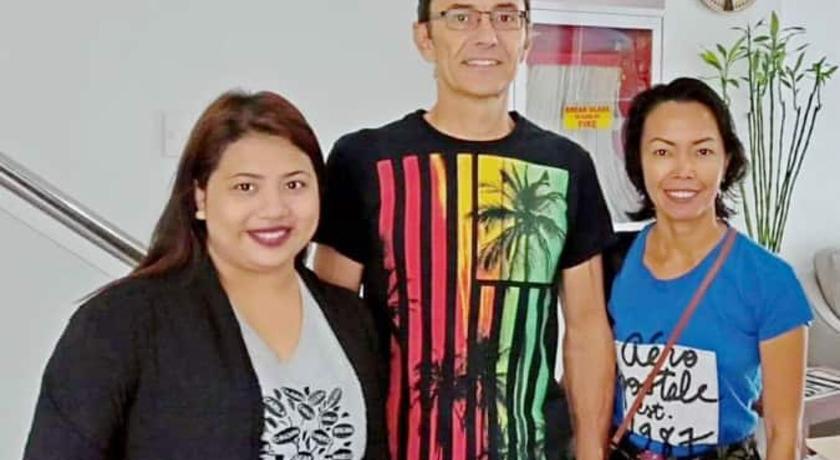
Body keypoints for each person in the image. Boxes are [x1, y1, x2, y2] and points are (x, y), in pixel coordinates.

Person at [313, 1, 617, 458]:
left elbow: (587, 330)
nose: (486, 35)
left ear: (527, 39)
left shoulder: (566, 166)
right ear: (424, 38)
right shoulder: (363, 161)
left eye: (505, 16)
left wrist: (592, 452)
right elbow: (329, 328)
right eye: (461, 16)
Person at [23, 90, 388, 460]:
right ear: (200, 197)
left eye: (294, 185)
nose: (274, 209)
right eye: (246, 187)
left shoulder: (352, 321)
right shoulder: (121, 321)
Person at [608, 77, 812, 459]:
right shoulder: (609, 263)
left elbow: (784, 433)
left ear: (726, 160)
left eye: (702, 152)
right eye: (663, 151)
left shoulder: (770, 281)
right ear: (638, 160)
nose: (683, 170)